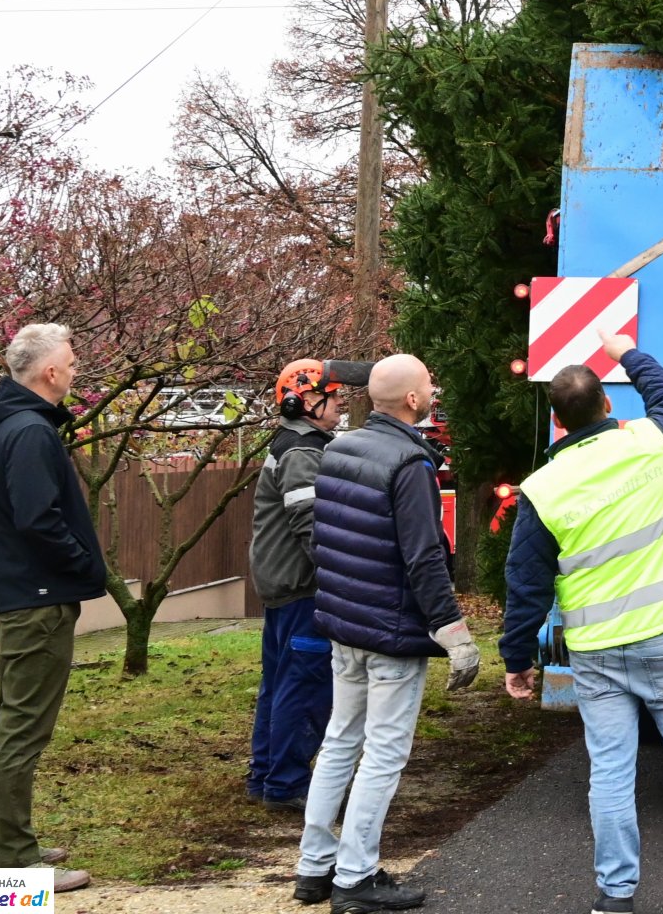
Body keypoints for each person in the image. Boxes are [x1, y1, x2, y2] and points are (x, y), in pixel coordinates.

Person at [501, 330, 663, 914]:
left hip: (595, 651)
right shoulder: (650, 442)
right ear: (607, 403)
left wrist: (518, 658)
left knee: (611, 772)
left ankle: (615, 895)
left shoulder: (541, 489)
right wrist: (624, 352)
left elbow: (526, 584)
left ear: (557, 422)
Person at [295, 354, 481, 912]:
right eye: (429, 385)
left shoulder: (338, 448)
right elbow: (424, 557)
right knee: (383, 753)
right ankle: (355, 878)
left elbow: (323, 539)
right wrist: (453, 632)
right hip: (391, 629)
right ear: (413, 401)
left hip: (344, 623)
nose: (434, 392)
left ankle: (314, 866)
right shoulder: (410, 463)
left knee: (340, 740)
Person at [0, 322, 104, 893]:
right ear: (50, 372)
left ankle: (5, 846)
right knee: (23, 728)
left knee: (9, 723)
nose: (75, 371)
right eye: (71, 364)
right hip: (39, 599)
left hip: (26, 596)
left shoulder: (14, 425)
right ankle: (15, 861)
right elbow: (37, 519)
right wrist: (81, 565)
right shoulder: (30, 431)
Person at [247, 359, 344, 811]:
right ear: (303, 401)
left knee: (279, 683)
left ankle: (265, 776)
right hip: (302, 587)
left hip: (283, 585)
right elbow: (310, 523)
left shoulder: (294, 444)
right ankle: (286, 784)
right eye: (331, 395)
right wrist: (338, 578)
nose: (339, 402)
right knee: (303, 686)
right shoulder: (302, 452)